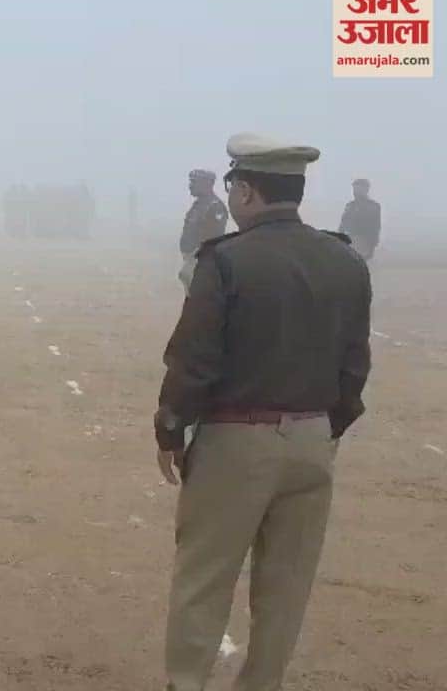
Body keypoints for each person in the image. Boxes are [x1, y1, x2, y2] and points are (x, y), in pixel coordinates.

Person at [154, 133, 371, 691]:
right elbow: (354, 364)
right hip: (313, 441)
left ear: (246, 192)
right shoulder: (345, 259)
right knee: (286, 589)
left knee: (204, 580)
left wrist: (171, 428)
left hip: (236, 441)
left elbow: (194, 358)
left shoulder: (226, 260)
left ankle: (186, 683)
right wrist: (324, 428)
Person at [177, 169, 228, 292]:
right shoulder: (199, 205)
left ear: (206, 184)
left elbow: (214, 238)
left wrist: (201, 260)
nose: (191, 186)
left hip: (201, 261)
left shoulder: (215, 207)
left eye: (194, 182)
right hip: (191, 258)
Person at [339, 178, 381, 261]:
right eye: (355, 188)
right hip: (349, 241)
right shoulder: (350, 206)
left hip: (364, 242)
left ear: (366, 189)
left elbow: (376, 226)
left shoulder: (373, 206)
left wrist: (372, 244)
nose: (355, 191)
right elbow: (343, 224)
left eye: (359, 188)